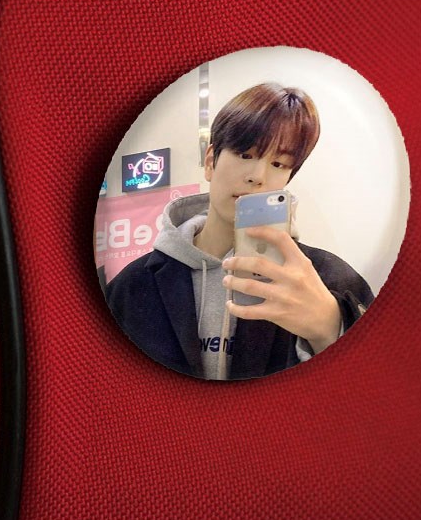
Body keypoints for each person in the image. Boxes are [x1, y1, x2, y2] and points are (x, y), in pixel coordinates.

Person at [105, 83, 373, 380]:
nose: (257, 176)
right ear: (211, 161)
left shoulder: (329, 279)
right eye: (245, 154)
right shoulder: (132, 286)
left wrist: (331, 329)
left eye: (278, 163)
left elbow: (380, 388)